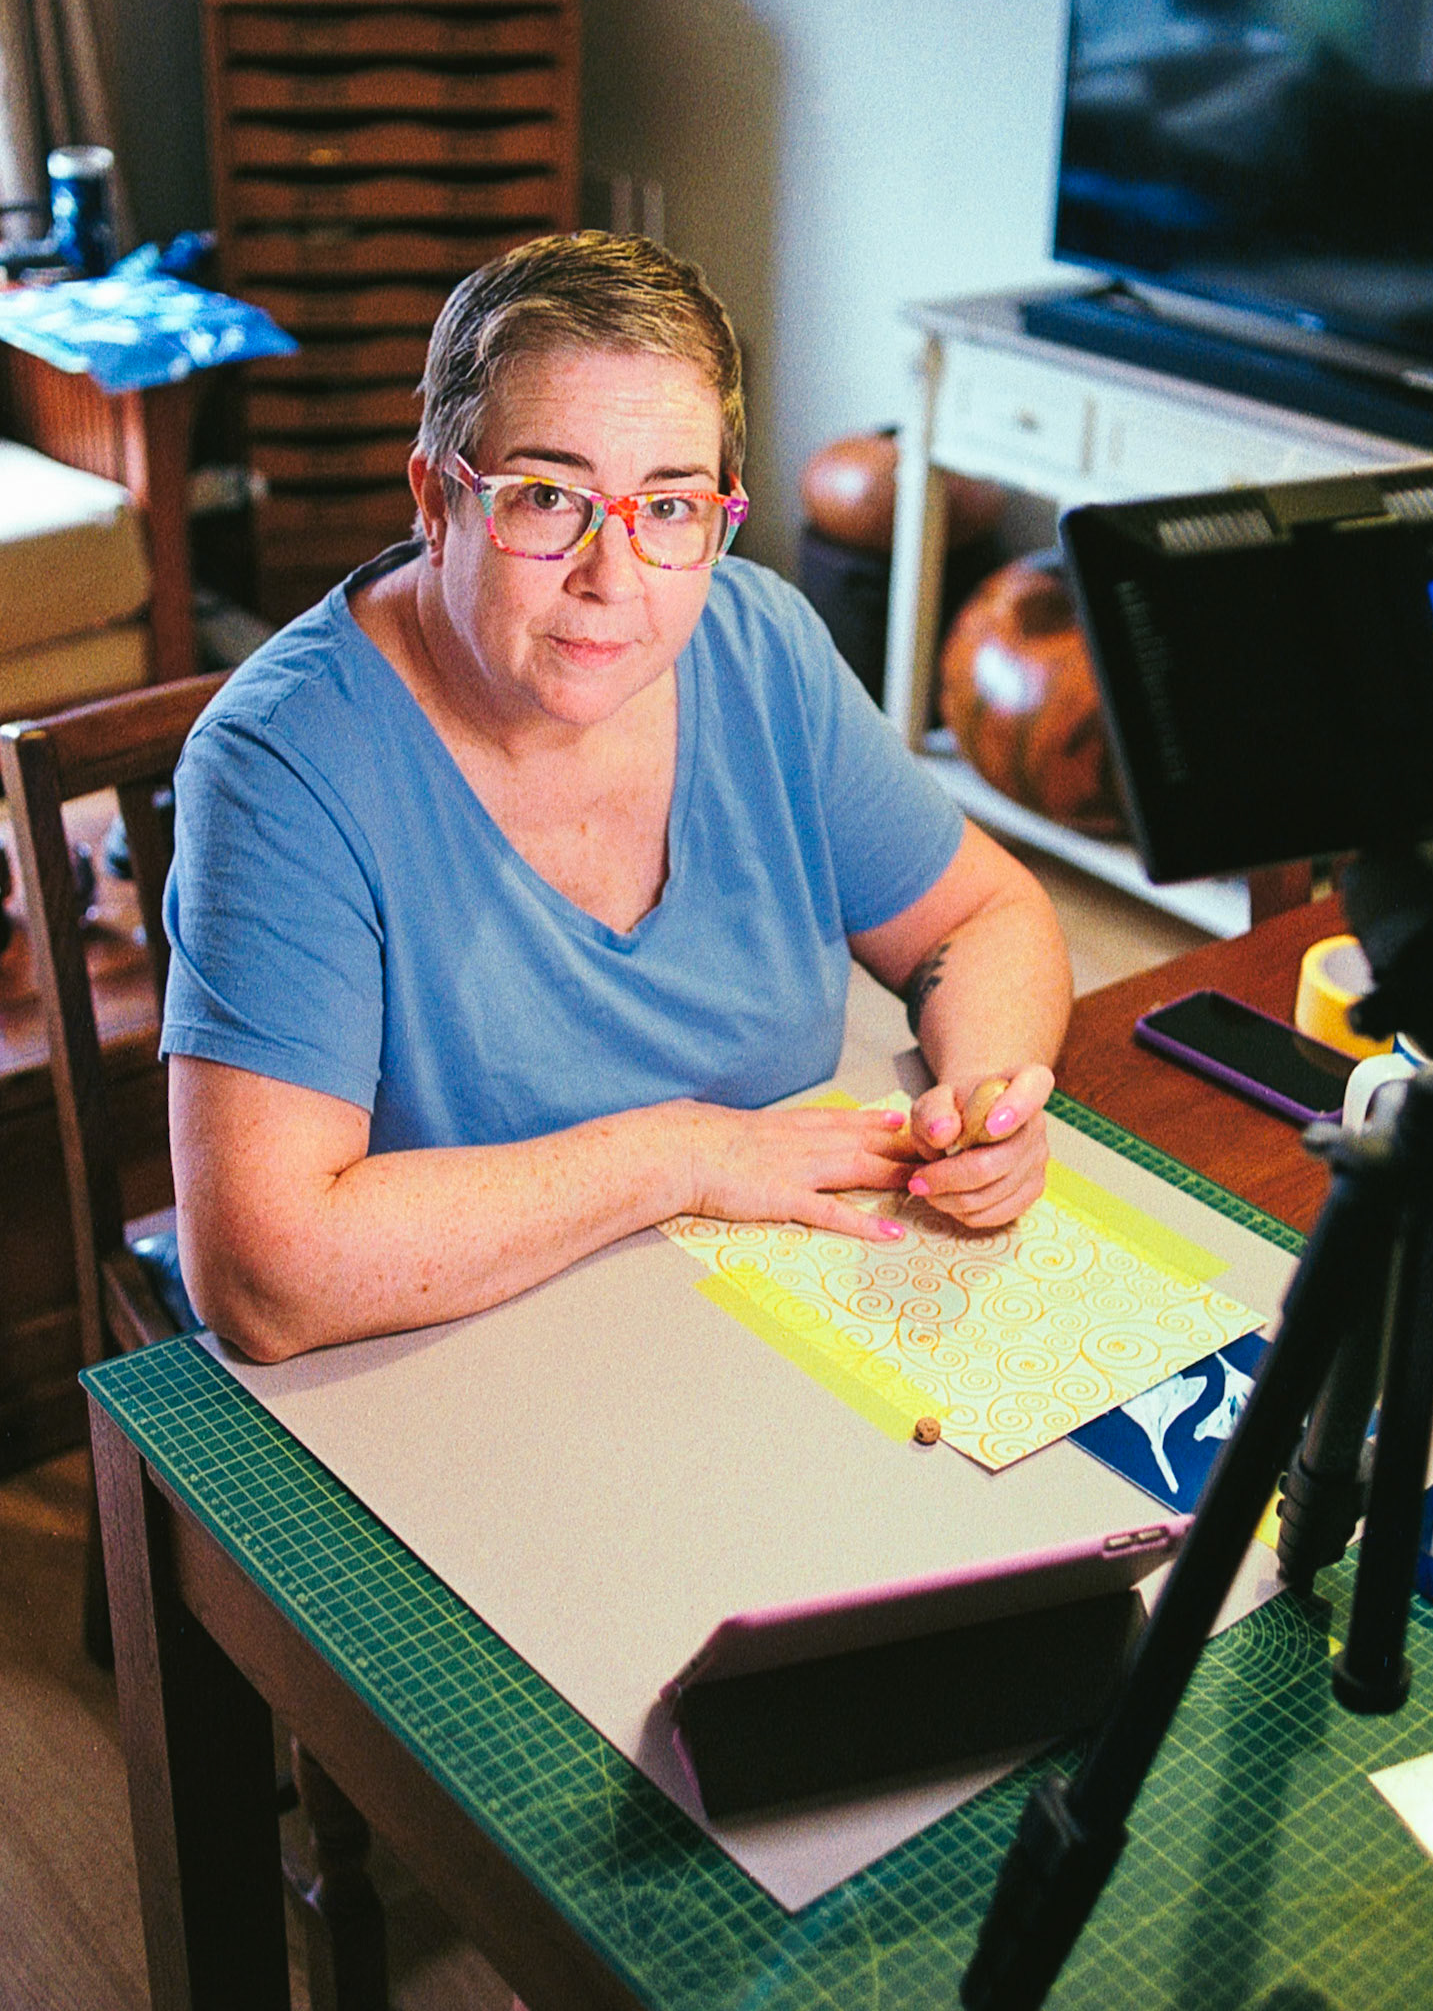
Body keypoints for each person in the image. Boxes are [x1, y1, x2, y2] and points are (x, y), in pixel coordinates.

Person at [163, 231, 1071, 1363]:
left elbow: (981, 917)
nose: (613, 575)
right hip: (447, 1361)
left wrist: (985, 1100)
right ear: (436, 501)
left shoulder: (762, 645)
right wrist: (682, 1155)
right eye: (548, 496)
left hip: (761, 1317)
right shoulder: (281, 765)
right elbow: (265, 1276)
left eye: (671, 507)